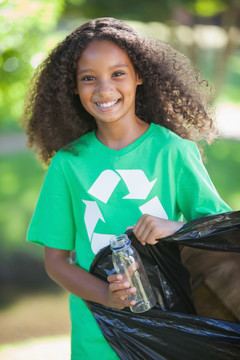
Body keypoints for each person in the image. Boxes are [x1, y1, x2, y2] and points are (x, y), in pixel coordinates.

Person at [22, 17, 231, 360]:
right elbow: (57, 261)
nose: (104, 89)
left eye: (118, 73)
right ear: (73, 87)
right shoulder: (68, 164)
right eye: (89, 78)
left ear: (140, 75)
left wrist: (175, 228)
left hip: (169, 335)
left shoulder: (172, 152)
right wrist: (106, 296)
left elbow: (222, 238)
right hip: (96, 340)